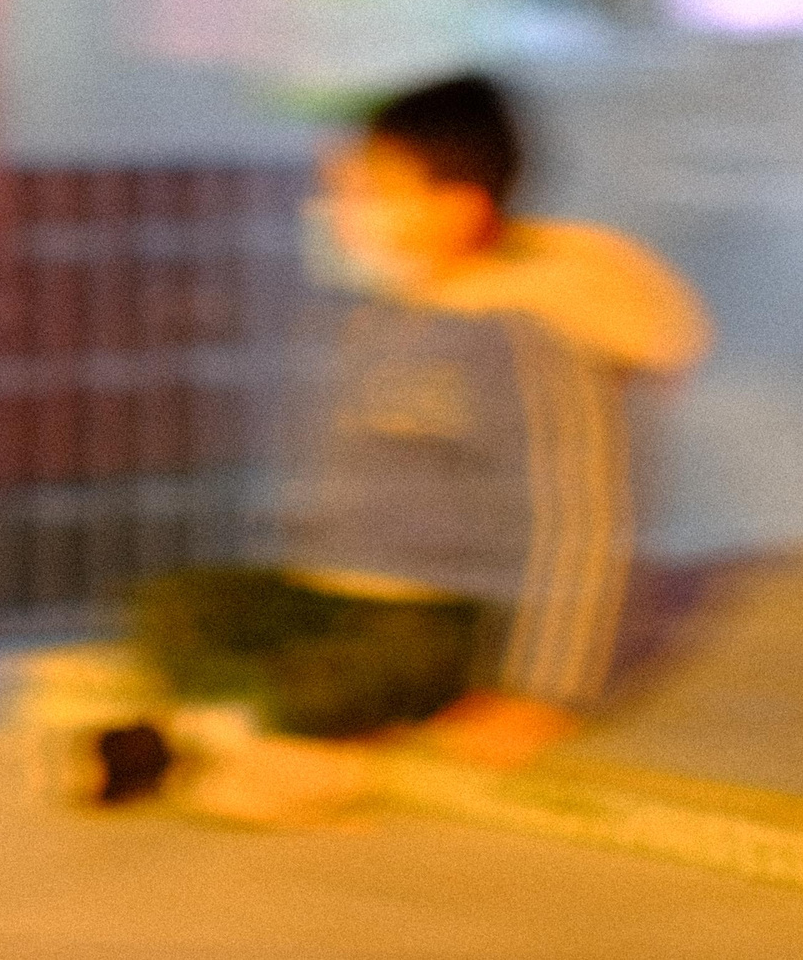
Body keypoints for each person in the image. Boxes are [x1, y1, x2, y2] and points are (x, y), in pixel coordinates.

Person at [122, 73, 709, 817]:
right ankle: (260, 727)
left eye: (371, 190)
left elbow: (579, 517)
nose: (340, 211)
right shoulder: (382, 318)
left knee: (362, 670)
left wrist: (542, 691)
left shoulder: (530, 334)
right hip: (331, 594)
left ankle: (274, 741)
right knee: (176, 606)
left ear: (459, 207)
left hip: (441, 614)